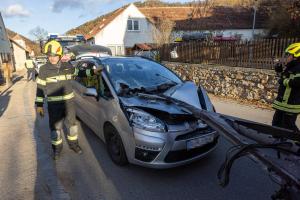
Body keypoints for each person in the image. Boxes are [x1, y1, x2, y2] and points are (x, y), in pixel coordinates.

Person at [35, 40, 101, 160]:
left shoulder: (67, 65)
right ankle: (57, 150)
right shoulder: (44, 70)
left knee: (72, 126)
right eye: (50, 56)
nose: (52, 58)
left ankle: (74, 145)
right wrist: (39, 104)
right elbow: (40, 88)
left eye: (54, 55)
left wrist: (93, 71)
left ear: (59, 55)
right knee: (56, 129)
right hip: (54, 105)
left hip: (69, 104)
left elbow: (79, 73)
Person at [272, 42, 300, 132]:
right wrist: (279, 71)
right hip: (283, 103)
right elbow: (284, 77)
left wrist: (284, 81)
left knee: (289, 126)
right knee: (276, 123)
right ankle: (277, 141)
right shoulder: (290, 67)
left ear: (296, 56)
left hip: (292, 104)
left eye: (288, 55)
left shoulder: (298, 68)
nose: (286, 57)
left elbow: (297, 82)